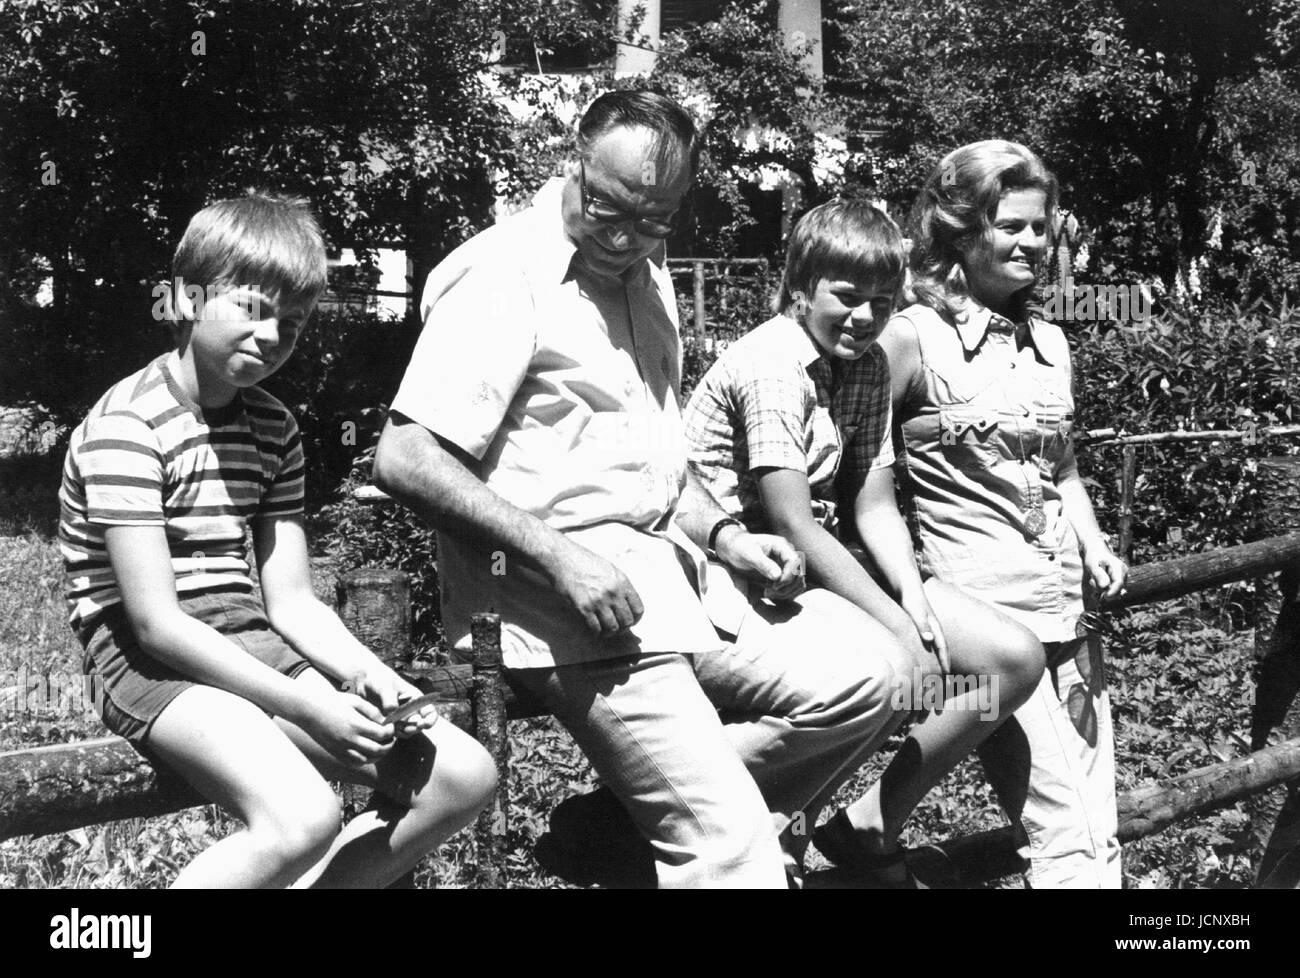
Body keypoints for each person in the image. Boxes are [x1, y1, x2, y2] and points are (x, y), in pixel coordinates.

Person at [373, 90, 910, 888]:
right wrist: (561, 558)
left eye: (653, 219)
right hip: (557, 608)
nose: (624, 236)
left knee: (878, 675)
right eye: (607, 206)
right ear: (575, 155)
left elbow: (658, 470)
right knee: (734, 854)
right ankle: (711, 844)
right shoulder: (501, 274)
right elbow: (406, 457)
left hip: (674, 581)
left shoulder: (648, 280)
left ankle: (625, 831)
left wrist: (727, 537)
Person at [58, 192, 497, 888]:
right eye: (252, 309)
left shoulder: (273, 427)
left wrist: (374, 680)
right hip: (144, 660)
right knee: (302, 817)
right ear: (184, 299)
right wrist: (307, 704)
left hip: (249, 641)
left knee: (463, 776)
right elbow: (156, 622)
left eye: (290, 325)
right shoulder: (127, 426)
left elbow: (290, 601)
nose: (270, 336)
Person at [684, 199, 1044, 886]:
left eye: (882, 302)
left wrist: (911, 598)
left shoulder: (868, 364)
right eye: (846, 298)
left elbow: (873, 498)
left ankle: (872, 818)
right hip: (732, 569)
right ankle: (747, 822)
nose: (864, 317)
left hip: (811, 565)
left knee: (1007, 661)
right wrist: (896, 629)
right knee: (894, 665)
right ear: (799, 288)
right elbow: (791, 519)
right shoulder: (772, 363)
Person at [877, 141, 1129, 887]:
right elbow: (851, 469)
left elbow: (1064, 465)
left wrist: (1093, 541)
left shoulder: (1049, 341)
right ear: (960, 231)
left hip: (1069, 607)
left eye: (1040, 227)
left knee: (1098, 817)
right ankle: (867, 822)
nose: (1030, 243)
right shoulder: (909, 339)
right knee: (1062, 831)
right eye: (1009, 226)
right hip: (991, 620)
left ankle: (865, 824)